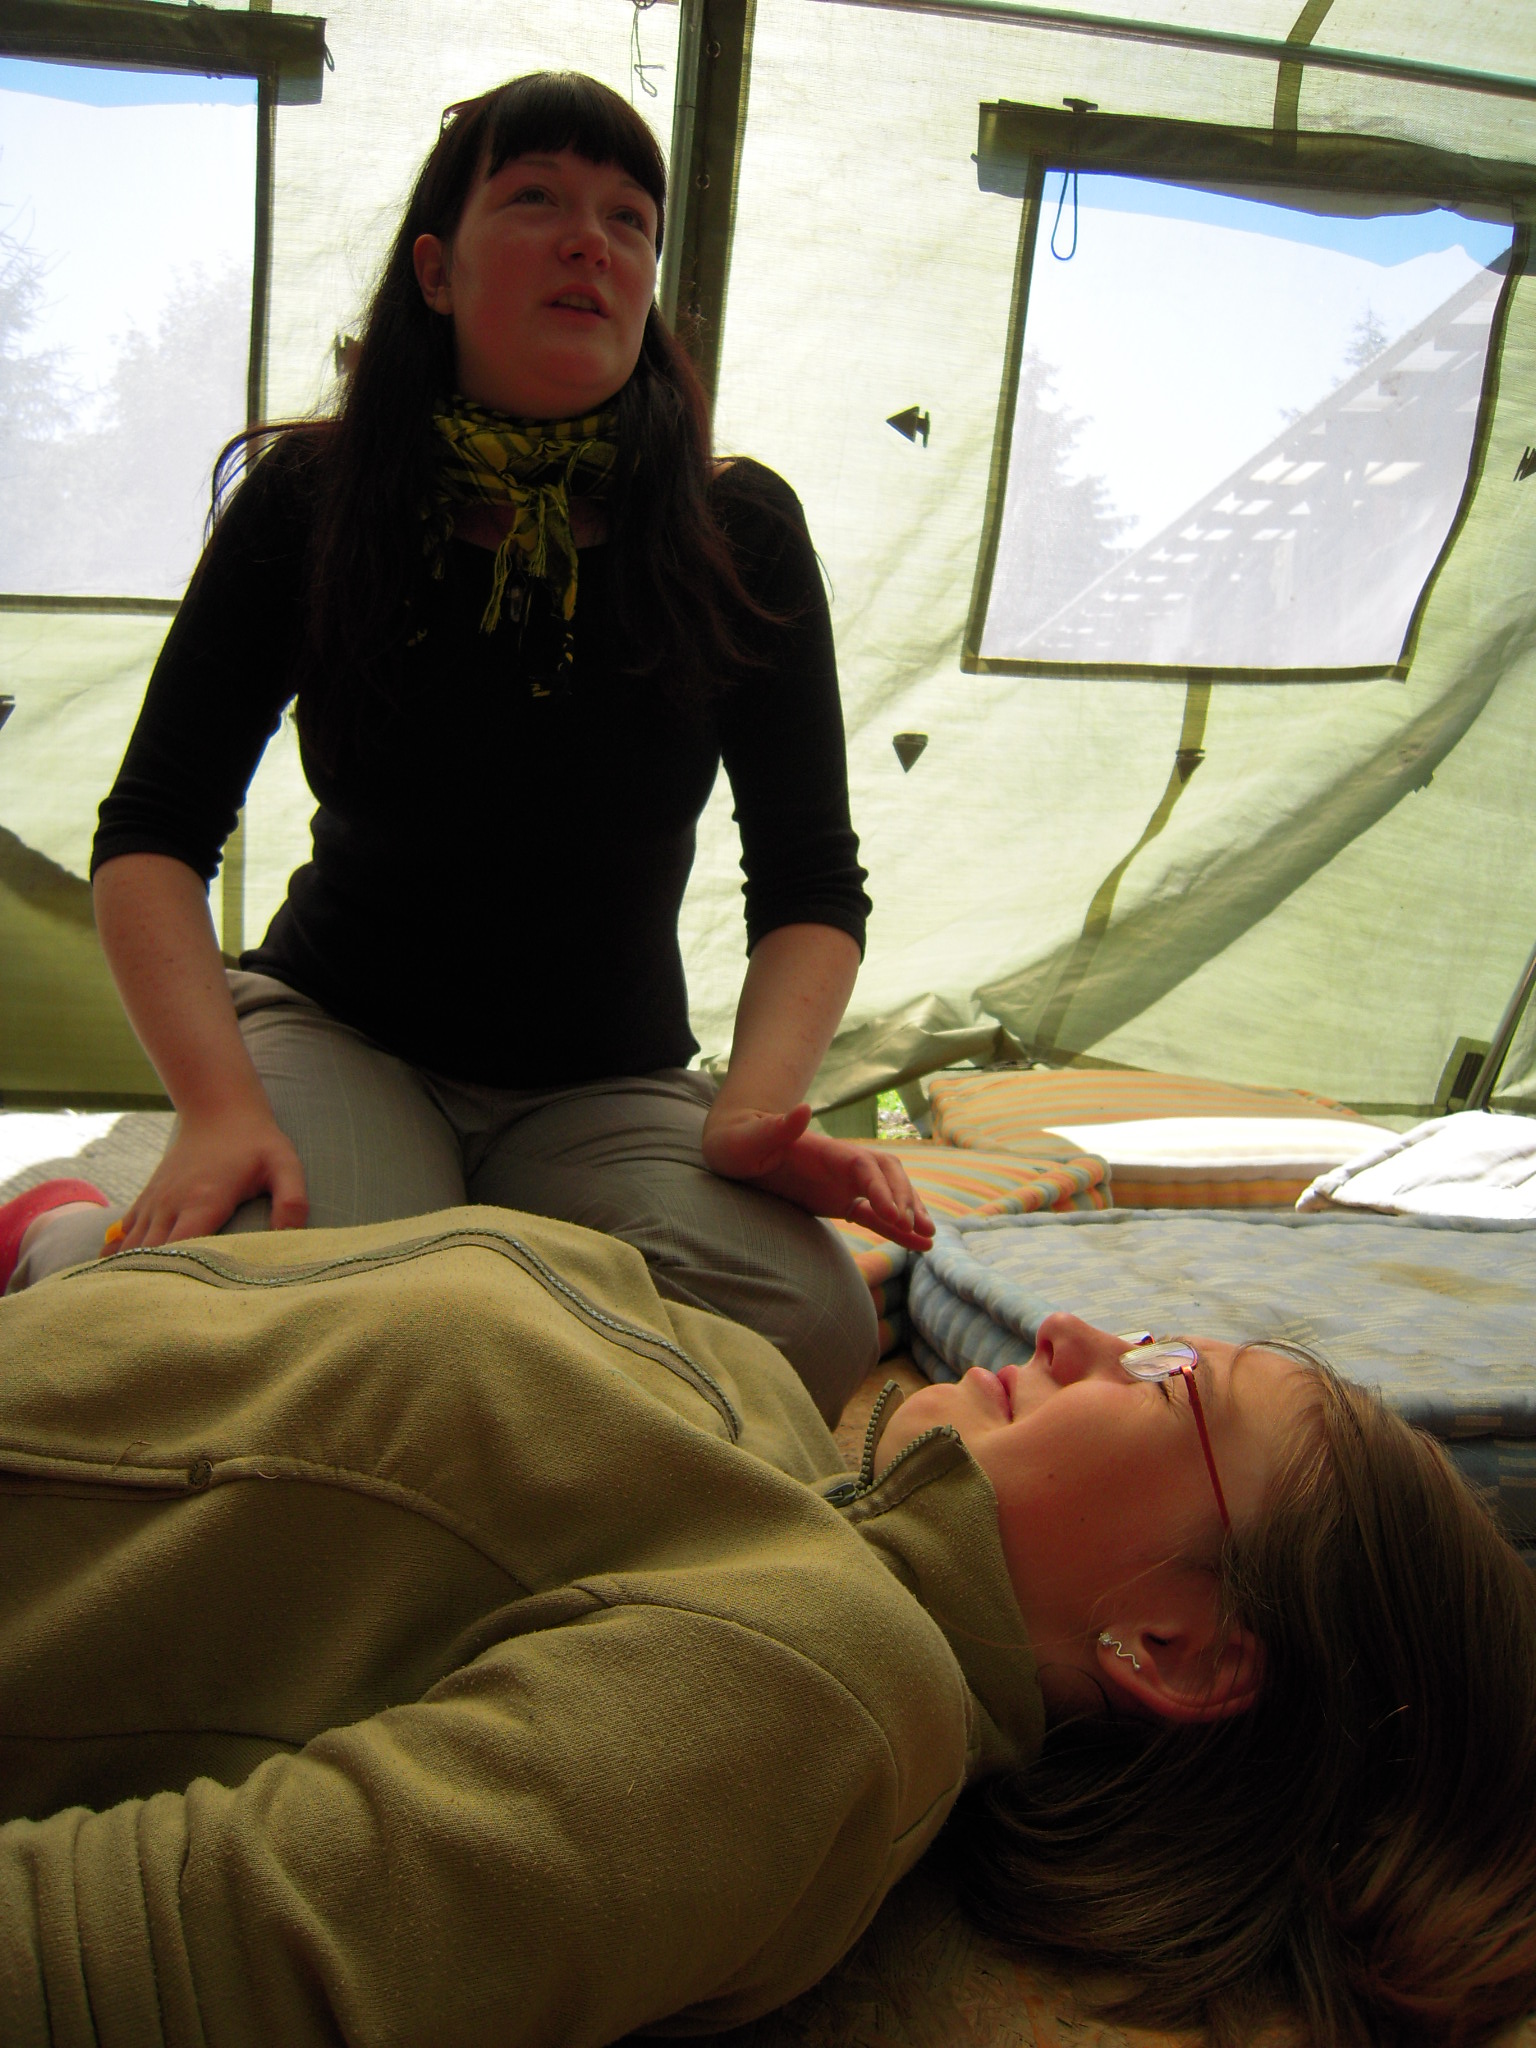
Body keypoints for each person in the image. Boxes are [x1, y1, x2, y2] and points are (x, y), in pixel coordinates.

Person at [1, 1211, 1532, 2047]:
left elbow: (142, 1960)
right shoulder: (797, 1473)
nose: (1069, 1331)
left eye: (1168, 1379)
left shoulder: (813, 1698)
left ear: (1179, 1649)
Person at [2, 71, 931, 1419]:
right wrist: (216, 1108)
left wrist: (751, 1111)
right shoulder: (314, 502)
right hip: (347, 1033)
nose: (590, 241)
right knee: (270, 1316)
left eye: (629, 218)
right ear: (436, 271)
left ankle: (446, 1289)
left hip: (605, 1086)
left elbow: (810, 883)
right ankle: (57, 1236)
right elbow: (152, 835)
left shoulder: (736, 531)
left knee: (812, 1329)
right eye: (537, 197)